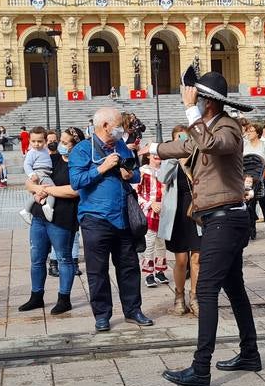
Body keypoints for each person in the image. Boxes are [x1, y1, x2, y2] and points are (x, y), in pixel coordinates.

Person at [154, 71, 259, 386]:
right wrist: (153, 148)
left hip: (226, 220)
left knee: (207, 290)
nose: (192, 102)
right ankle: (249, 353)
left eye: (196, 98)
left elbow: (210, 145)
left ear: (208, 102)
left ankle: (201, 369)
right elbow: (186, 144)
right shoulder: (208, 128)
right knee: (235, 288)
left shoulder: (227, 128)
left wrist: (189, 111)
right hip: (222, 219)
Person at [69, 108, 152, 333]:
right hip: (94, 218)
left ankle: (133, 310)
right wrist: (102, 168)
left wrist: (130, 174)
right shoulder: (83, 149)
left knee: (129, 267)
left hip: (123, 217)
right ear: (105, 125)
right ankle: (102, 315)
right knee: (97, 271)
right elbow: (76, 181)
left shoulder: (120, 146)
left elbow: (135, 173)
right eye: (117, 125)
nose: (122, 129)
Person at [22, 127, 80, 315]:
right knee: (36, 259)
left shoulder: (79, 165)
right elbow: (30, 181)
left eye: (65, 142)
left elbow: (74, 190)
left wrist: (46, 190)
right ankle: (36, 296)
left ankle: (64, 299)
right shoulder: (50, 158)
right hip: (40, 216)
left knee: (64, 258)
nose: (59, 145)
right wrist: (35, 187)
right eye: (59, 141)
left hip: (62, 219)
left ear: (75, 145)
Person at [158, 124, 201, 317]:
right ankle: (179, 296)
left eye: (185, 138)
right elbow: (163, 178)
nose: (182, 141)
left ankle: (195, 297)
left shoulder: (198, 156)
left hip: (197, 213)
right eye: (178, 138)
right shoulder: (170, 160)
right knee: (181, 259)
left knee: (197, 257)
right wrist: (175, 158)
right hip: (177, 214)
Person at [137, 152, 168, 286]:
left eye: (159, 153)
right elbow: (136, 192)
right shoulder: (142, 171)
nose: (157, 156)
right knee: (149, 244)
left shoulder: (166, 171)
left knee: (162, 244)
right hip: (148, 213)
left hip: (164, 212)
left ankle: (160, 272)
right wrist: (150, 204)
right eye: (154, 154)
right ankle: (149, 274)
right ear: (148, 156)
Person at [241, 120, 265, 237]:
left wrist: (264, 166)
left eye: (251, 131)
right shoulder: (245, 145)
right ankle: (252, 229)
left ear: (257, 133)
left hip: (263, 176)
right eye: (248, 131)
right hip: (249, 179)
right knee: (251, 203)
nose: (248, 133)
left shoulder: (264, 144)